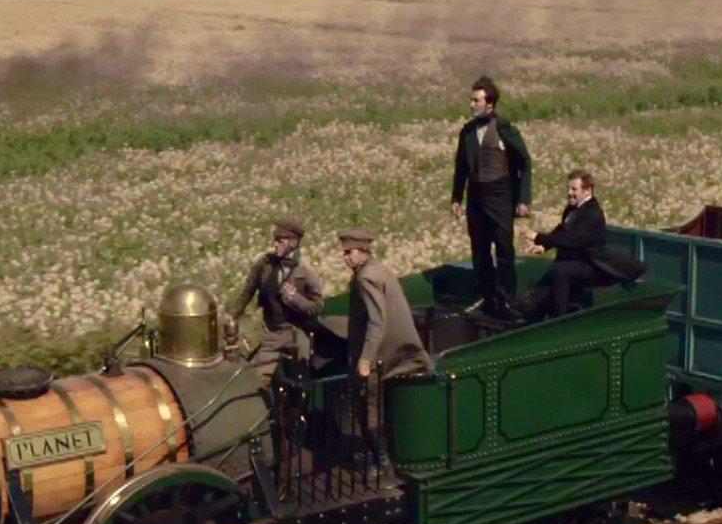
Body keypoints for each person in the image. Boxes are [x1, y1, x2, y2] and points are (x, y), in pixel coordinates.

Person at [449, 75, 531, 319]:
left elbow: (525, 162)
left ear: (490, 104)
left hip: (500, 194)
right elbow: (461, 166)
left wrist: (523, 199)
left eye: (477, 100)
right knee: (479, 249)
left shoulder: (504, 128)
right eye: (471, 100)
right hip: (476, 196)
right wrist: (456, 198)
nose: (472, 104)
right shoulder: (467, 131)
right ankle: (487, 297)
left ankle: (507, 299)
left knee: (504, 248)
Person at [523, 170, 647, 320]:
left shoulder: (593, 213)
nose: (569, 193)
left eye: (574, 189)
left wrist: (538, 237)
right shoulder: (572, 208)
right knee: (537, 297)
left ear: (588, 190)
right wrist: (544, 246)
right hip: (572, 262)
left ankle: (558, 321)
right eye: (568, 188)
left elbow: (572, 240)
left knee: (559, 272)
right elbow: (561, 230)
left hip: (591, 264)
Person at [227, 218, 324, 364]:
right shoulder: (265, 265)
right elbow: (247, 292)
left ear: (293, 243)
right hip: (272, 335)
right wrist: (232, 317)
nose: (275, 244)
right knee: (253, 374)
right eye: (275, 240)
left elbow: (317, 307)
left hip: (297, 334)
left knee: (303, 375)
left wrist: (295, 299)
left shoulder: (305, 271)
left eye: (280, 241)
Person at [339, 229, 429, 380]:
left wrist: (366, 359)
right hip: (403, 354)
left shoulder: (366, 278)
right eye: (344, 253)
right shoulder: (379, 269)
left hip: (385, 359)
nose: (345, 258)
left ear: (363, 250)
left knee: (371, 401)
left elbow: (376, 321)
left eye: (349, 252)